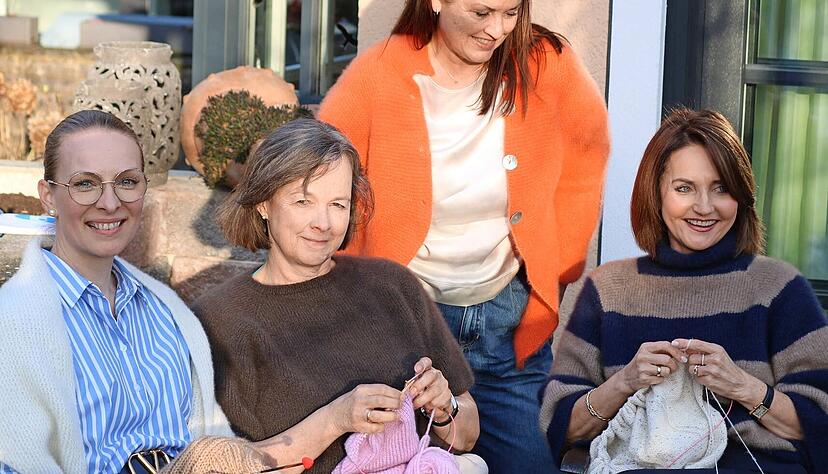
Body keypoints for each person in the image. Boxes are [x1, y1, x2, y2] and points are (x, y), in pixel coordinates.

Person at [318, 1, 610, 470]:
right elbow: (322, 173)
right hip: (409, 330)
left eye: (511, 12)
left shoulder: (545, 64)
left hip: (506, 328)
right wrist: (351, 283)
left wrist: (558, 267)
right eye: (481, 12)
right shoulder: (380, 73)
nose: (497, 29)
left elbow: (586, 154)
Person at [539, 108, 828, 472]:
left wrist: (742, 386)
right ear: (655, 193)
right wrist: (625, 381)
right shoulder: (606, 291)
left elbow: (820, 425)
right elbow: (559, 429)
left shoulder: (779, 289)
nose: (704, 207)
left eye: (721, 188)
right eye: (684, 188)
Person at [0, 110, 288, 474]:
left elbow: (208, 440)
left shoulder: (165, 310)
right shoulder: (13, 325)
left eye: (127, 181)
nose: (110, 203)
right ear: (48, 197)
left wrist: (335, 418)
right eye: (85, 184)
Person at [192, 118, 483, 474]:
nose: (323, 223)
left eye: (338, 204)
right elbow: (218, 466)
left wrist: (445, 407)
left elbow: (467, 436)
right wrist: (335, 419)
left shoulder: (393, 286)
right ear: (264, 203)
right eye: (303, 201)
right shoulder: (219, 322)